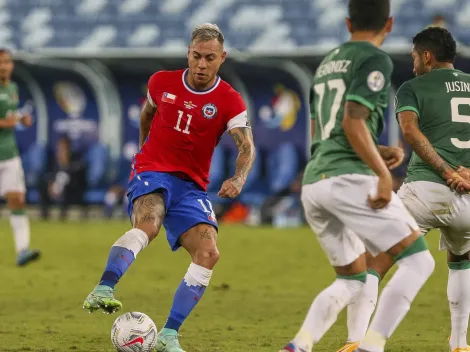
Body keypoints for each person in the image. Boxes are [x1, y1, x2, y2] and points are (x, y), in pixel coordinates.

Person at [83, 23, 255, 352]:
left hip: (191, 186)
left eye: (209, 58)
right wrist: (143, 153)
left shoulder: (229, 100)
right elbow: (148, 114)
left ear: (222, 58)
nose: (201, 65)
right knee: (149, 224)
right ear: (188, 53)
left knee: (208, 253)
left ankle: (169, 335)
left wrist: (239, 177)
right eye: (195, 56)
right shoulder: (161, 82)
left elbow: (246, 146)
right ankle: (104, 288)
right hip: (153, 171)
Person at [280, 1, 436, 351]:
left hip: (315, 183)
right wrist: (382, 173)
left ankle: (299, 345)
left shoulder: (326, 64)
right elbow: (352, 121)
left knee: (352, 279)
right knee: (418, 261)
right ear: (390, 23)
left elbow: (327, 131)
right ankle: (371, 346)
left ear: (348, 22)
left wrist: (379, 151)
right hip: (348, 180)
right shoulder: (374, 58)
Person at [343, 27, 470, 352]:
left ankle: (357, 340)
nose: (413, 63)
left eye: (414, 56)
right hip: (469, 199)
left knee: (374, 259)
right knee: (461, 259)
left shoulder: (412, 87)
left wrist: (444, 170)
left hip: (425, 189)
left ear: (426, 56)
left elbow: (410, 131)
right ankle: (459, 344)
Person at [0, 48, 40, 266]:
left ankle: (22, 250)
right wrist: (13, 121)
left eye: (7, 62)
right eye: (1, 62)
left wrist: (20, 119)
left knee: (17, 199)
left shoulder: (13, 88)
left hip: (9, 154)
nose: (4, 66)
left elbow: (8, 116)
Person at [38, 136, 87, 221]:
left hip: (71, 187)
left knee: (64, 179)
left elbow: (78, 172)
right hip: (55, 187)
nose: (60, 149)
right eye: (59, 147)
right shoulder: (53, 159)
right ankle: (45, 215)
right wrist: (51, 182)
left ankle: (62, 215)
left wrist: (65, 163)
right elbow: (49, 173)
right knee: (43, 184)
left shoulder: (76, 157)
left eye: (63, 147)